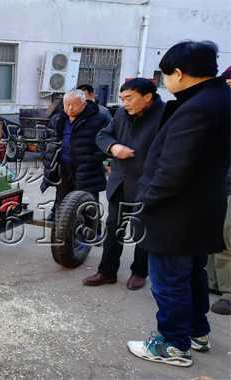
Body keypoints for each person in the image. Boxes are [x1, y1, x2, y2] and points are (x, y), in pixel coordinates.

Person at [127, 41, 230, 367]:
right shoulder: (220, 99)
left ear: (179, 73)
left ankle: (172, 344)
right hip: (202, 209)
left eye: (165, 75)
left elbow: (173, 169)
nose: (164, 81)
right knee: (191, 275)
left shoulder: (198, 107)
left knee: (170, 281)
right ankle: (197, 332)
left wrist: (144, 202)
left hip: (176, 214)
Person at [83, 78, 165, 290]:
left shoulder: (166, 116)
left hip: (147, 185)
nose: (125, 103)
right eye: (122, 99)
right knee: (113, 229)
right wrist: (113, 147)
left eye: (129, 98)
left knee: (142, 231)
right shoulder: (121, 114)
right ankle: (107, 271)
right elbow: (103, 135)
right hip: (120, 181)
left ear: (148, 97)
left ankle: (139, 272)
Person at [41, 89, 111, 220]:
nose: (70, 108)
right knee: (62, 198)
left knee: (87, 200)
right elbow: (48, 139)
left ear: (84, 104)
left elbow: (107, 140)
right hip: (63, 166)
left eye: (74, 105)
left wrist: (95, 158)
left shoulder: (99, 119)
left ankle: (91, 232)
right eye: (67, 104)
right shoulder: (58, 118)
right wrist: (50, 157)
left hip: (86, 168)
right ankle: (61, 230)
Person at [207, 66, 231, 315]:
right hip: (213, 183)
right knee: (211, 235)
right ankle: (212, 282)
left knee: (228, 237)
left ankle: (229, 292)